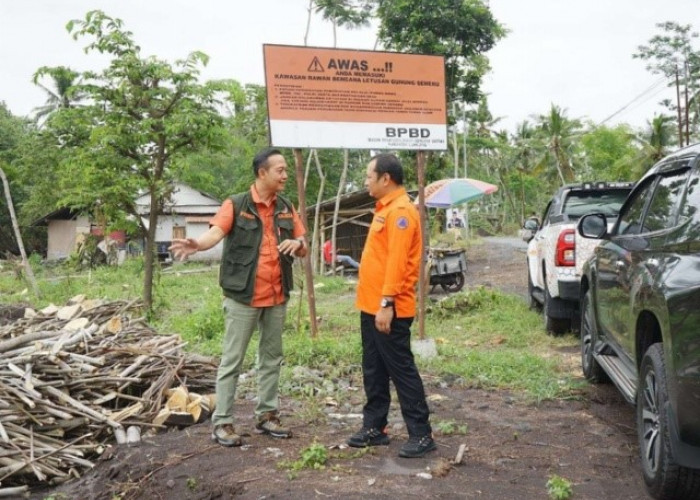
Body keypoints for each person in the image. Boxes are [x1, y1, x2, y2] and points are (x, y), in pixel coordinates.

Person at [169, 148, 307, 447]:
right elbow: (216, 233)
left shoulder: (285, 206)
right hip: (243, 297)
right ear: (262, 173)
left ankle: (267, 415)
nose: (285, 175)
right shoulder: (236, 204)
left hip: (277, 294)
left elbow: (303, 242)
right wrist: (198, 244)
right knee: (232, 360)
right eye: (280, 170)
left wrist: (298, 243)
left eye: (285, 170)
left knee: (272, 359)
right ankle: (223, 422)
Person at [347, 153, 436, 458]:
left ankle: (421, 434)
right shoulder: (385, 208)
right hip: (370, 306)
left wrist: (387, 304)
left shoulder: (401, 212)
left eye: (369, 176)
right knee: (373, 368)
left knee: (401, 370)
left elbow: (398, 265)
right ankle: (375, 428)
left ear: (386, 178)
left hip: (389, 309)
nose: (365, 181)